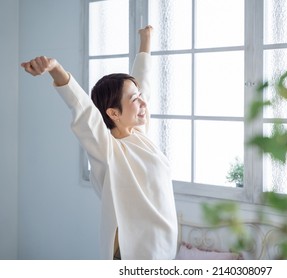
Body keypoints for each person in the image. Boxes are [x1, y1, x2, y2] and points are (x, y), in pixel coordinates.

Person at [20, 25, 178, 260]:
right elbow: (83, 110)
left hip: (163, 252)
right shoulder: (108, 150)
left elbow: (143, 83)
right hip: (133, 256)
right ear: (113, 113)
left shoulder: (139, 135)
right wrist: (55, 68)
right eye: (135, 99)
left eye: (140, 96)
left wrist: (146, 40)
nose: (143, 102)